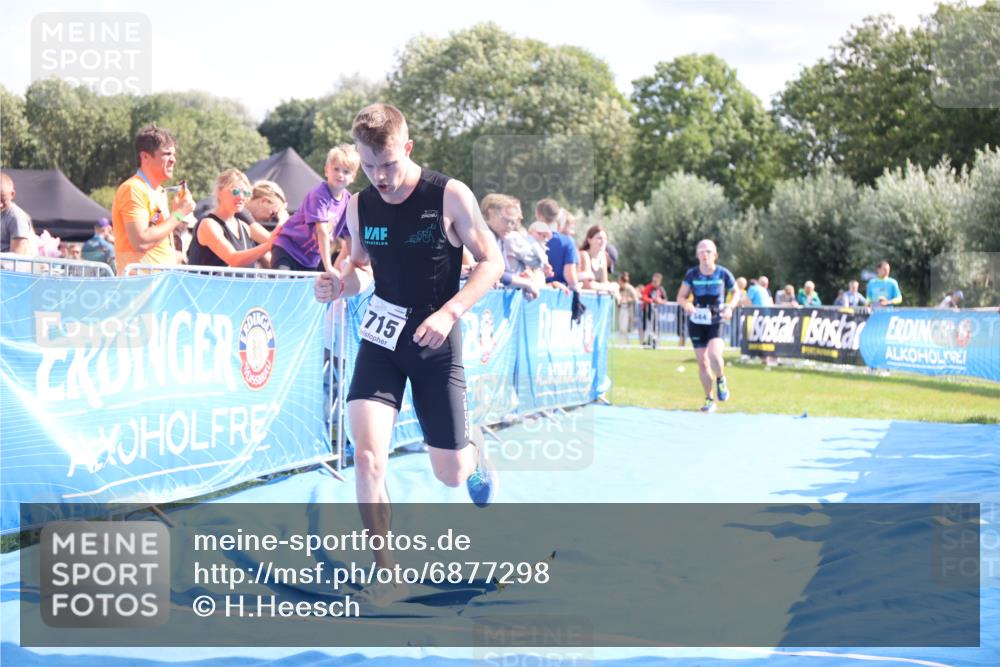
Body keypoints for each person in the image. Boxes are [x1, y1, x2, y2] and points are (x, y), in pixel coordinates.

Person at [312, 104, 504, 604]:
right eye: (369, 166)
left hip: (435, 336)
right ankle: (387, 571)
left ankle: (474, 446)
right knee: (368, 456)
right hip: (381, 337)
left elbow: (492, 261)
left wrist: (451, 312)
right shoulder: (358, 206)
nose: (380, 177)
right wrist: (339, 283)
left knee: (450, 473)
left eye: (389, 165)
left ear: (408, 149)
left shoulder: (449, 195)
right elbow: (359, 269)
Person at [111, 124, 196, 274]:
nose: (173, 160)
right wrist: (179, 214)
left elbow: (152, 230)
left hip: (159, 285)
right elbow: (141, 241)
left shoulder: (158, 191)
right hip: (140, 287)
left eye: (174, 154)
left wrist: (175, 213)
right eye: (167, 154)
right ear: (145, 157)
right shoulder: (133, 188)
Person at [676, 239, 740, 414]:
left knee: (714, 354)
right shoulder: (692, 274)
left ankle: (721, 378)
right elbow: (681, 297)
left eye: (708, 252)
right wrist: (686, 305)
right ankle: (709, 399)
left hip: (717, 318)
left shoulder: (723, 273)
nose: (705, 255)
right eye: (701, 252)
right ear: (697, 255)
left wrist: (730, 307)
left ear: (715, 255)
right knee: (703, 363)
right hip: (697, 320)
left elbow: (736, 292)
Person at [272, 145, 359, 272]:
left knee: (307, 291)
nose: (340, 174)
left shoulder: (348, 200)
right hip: (288, 249)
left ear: (353, 177)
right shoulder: (319, 194)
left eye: (346, 172)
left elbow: (349, 236)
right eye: (336, 169)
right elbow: (322, 231)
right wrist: (328, 267)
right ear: (326, 170)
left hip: (310, 259)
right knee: (281, 284)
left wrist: (354, 263)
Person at [188, 169, 279, 268]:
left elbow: (275, 242)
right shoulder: (208, 225)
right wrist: (268, 245)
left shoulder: (245, 227)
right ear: (219, 191)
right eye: (235, 191)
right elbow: (233, 259)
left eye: (246, 193)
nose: (241, 197)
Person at [480, 193, 544, 299]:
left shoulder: (499, 237)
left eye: (513, 223)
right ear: (492, 214)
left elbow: (502, 272)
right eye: (507, 221)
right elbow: (493, 272)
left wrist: (521, 278)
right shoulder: (484, 235)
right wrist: (526, 283)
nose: (510, 227)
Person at [535, 198, 579, 291]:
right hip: (559, 294)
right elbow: (570, 275)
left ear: (539, 215)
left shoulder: (530, 239)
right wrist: (577, 291)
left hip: (535, 291)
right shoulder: (567, 242)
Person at [578, 225, 620, 298]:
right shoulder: (584, 255)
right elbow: (588, 285)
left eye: (605, 238)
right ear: (589, 240)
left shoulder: (603, 257)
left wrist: (614, 288)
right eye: (599, 238)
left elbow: (604, 282)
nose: (603, 241)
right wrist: (611, 287)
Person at [1, 173, 36, 256]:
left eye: (3, 199)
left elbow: (16, 257)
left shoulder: (16, 218)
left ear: (12, 194)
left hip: (13, 267)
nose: (0, 204)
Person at [640, 273, 667, 347]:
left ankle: (653, 340)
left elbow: (665, 299)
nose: (653, 283)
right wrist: (653, 300)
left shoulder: (661, 289)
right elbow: (644, 297)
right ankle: (644, 341)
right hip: (646, 310)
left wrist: (660, 301)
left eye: (655, 281)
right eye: (653, 281)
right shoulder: (648, 287)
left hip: (654, 311)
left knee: (654, 326)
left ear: (659, 282)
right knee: (645, 326)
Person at [617, 272, 639, 343]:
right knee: (620, 327)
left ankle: (627, 342)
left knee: (624, 328)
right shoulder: (619, 288)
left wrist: (628, 299)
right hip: (621, 309)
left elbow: (635, 298)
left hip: (627, 309)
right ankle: (621, 342)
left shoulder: (630, 288)